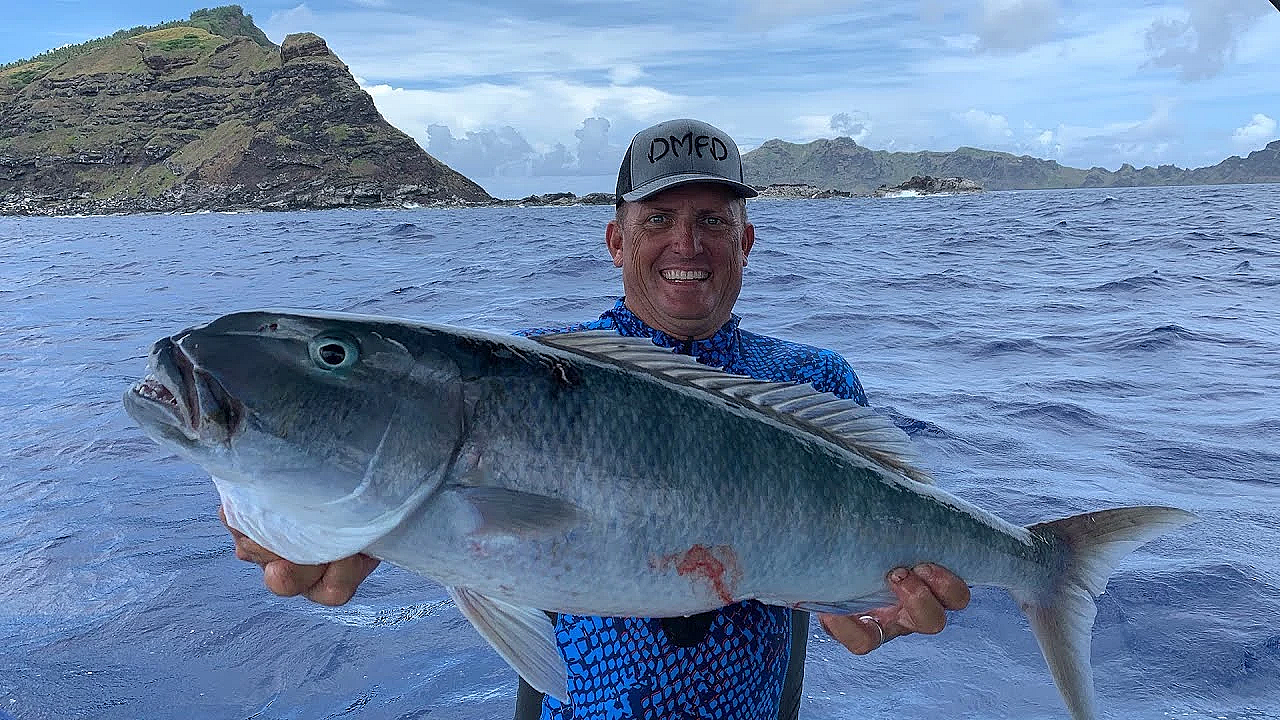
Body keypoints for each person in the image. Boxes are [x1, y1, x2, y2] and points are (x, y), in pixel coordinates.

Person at [222, 118, 970, 720]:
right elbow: (429, 487)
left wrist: (885, 611)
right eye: (659, 218)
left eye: (714, 218)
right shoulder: (536, 381)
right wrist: (301, 506)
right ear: (617, 240)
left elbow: (868, 570)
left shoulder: (818, 381)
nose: (688, 243)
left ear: (746, 240)